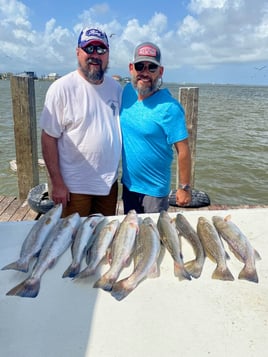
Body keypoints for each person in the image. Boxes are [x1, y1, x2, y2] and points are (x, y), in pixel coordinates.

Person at [40, 27, 122, 217]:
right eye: (89, 48)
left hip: (108, 187)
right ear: (78, 52)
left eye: (101, 50)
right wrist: (57, 183)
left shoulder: (116, 88)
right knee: (72, 240)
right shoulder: (60, 88)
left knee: (104, 238)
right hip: (74, 188)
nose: (95, 55)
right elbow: (48, 138)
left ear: (108, 55)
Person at [120, 42, 192, 214]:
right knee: (131, 236)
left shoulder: (170, 108)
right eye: (140, 66)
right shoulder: (125, 93)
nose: (145, 72)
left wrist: (184, 187)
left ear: (160, 72)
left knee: (154, 238)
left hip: (155, 193)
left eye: (151, 67)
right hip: (128, 185)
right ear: (131, 68)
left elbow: (183, 151)